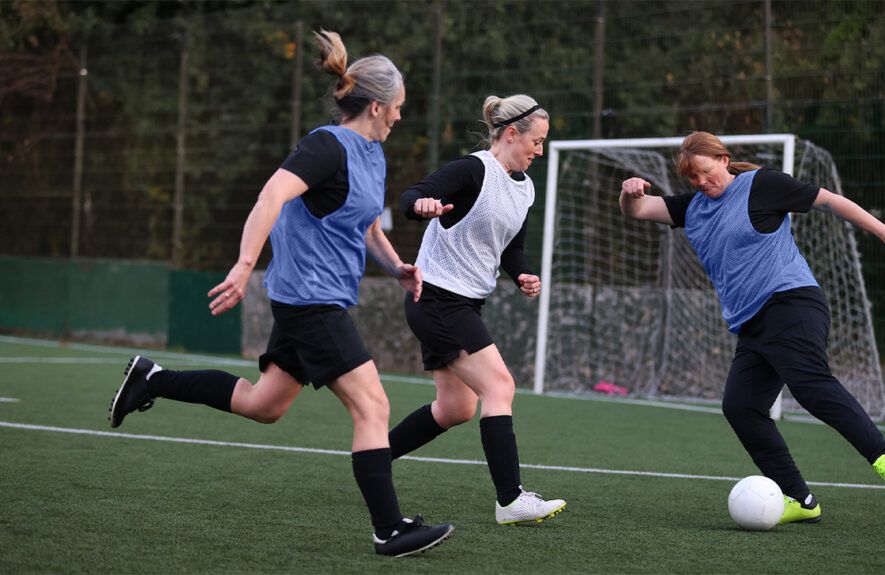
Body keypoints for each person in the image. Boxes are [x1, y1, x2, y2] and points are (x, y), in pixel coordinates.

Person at [107, 30, 453, 557]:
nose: (401, 118)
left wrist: (397, 266)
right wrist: (246, 265)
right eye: (399, 109)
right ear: (378, 106)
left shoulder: (373, 155)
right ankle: (389, 530)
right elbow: (271, 194)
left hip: (324, 298)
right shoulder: (325, 145)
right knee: (373, 406)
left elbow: (362, 224)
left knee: (263, 404)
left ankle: (153, 379)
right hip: (308, 298)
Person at [618, 131, 885, 524]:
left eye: (706, 172)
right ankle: (800, 500)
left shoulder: (762, 185)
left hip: (791, 303)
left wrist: (883, 230)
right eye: (693, 178)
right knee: (740, 407)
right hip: (752, 324)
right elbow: (637, 211)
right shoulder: (692, 208)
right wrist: (630, 192)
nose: (702, 183)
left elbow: (830, 201)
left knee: (809, 384)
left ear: (723, 160)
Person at [386, 94, 567, 525]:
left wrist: (522, 274)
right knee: (500, 387)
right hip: (436, 300)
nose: (539, 151)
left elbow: (513, 249)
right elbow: (410, 197)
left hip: (464, 303)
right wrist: (421, 206)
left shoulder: (524, 187)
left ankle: (373, 457)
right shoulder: (473, 169)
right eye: (536, 142)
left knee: (455, 409)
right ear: (510, 134)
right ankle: (511, 500)